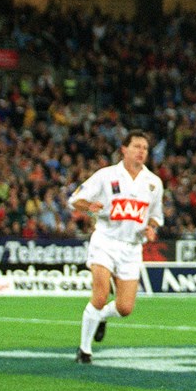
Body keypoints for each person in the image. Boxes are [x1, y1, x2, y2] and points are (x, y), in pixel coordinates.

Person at [68, 129, 164, 364]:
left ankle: (100, 317)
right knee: (100, 296)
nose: (141, 151)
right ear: (124, 149)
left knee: (124, 308)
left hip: (132, 248)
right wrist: (89, 206)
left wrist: (151, 227)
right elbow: (75, 200)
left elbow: (155, 216)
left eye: (145, 148)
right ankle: (84, 350)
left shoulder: (153, 183)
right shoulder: (106, 175)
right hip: (105, 242)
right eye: (137, 146)